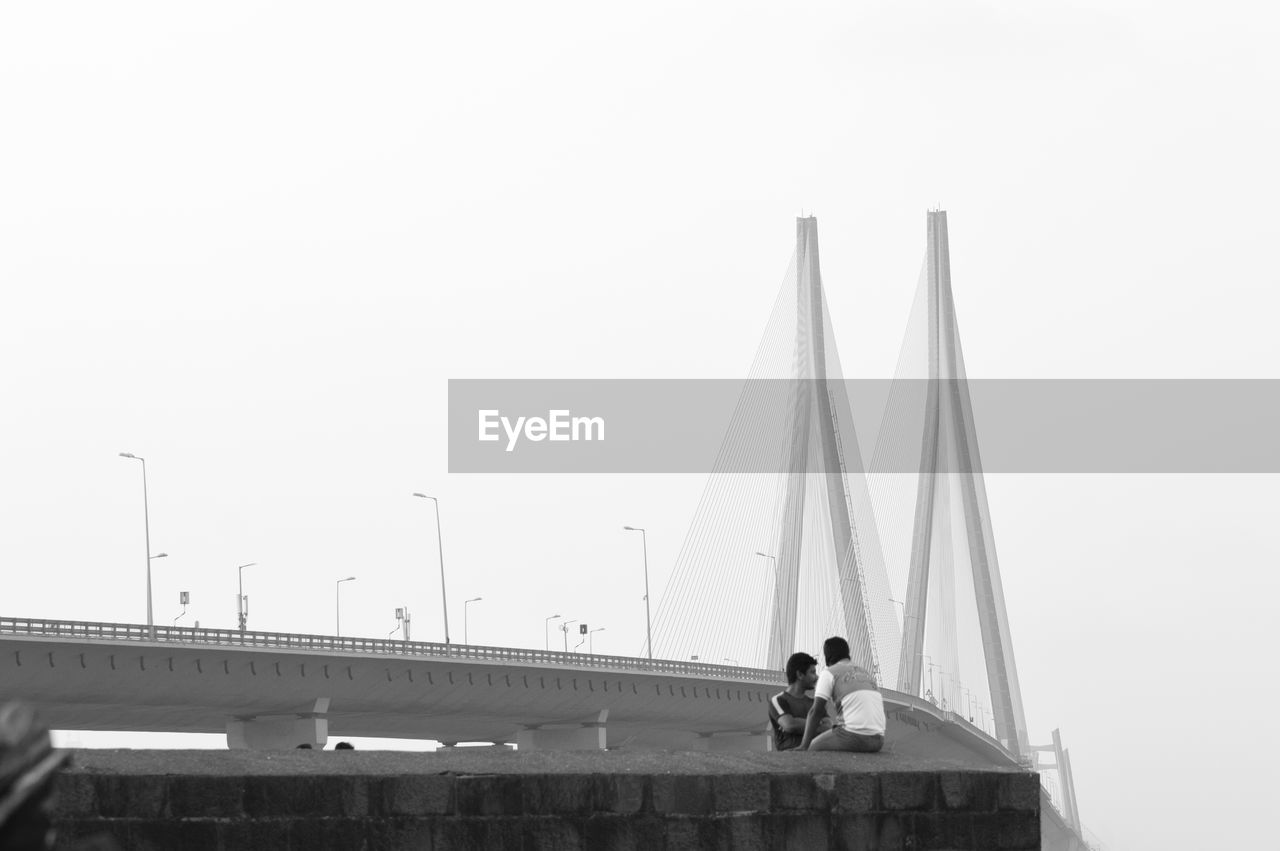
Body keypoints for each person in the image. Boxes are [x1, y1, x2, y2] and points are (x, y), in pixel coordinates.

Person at [798, 636, 885, 753]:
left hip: (855, 737)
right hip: (878, 740)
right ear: (847, 653)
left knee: (813, 747)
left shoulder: (830, 673)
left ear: (827, 656)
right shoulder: (866, 673)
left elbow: (816, 711)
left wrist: (804, 746)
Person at [767, 652, 831, 751]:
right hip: (789, 760)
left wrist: (801, 724)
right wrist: (818, 722)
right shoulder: (778, 700)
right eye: (812, 672)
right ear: (800, 675)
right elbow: (790, 725)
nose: (817, 677)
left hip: (814, 758)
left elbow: (828, 727)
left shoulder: (814, 702)